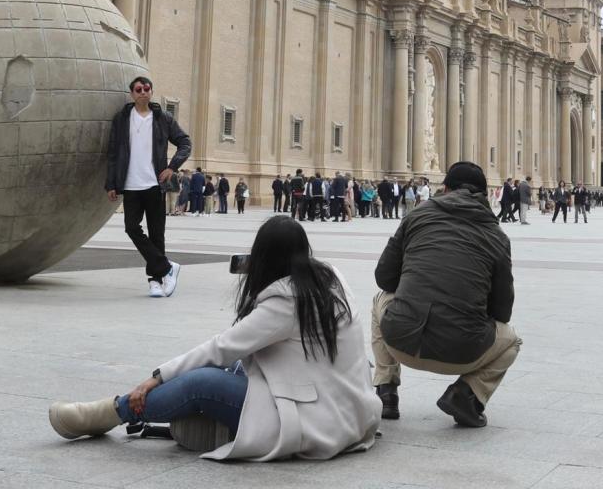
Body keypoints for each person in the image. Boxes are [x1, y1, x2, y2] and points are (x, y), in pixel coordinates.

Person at [48, 216, 381, 459]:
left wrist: (155, 378)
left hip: (314, 419)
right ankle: (213, 424)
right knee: (231, 368)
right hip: (345, 407)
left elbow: (221, 347)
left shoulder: (284, 302)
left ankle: (112, 412)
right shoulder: (328, 278)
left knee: (201, 382)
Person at [371, 162, 520, 427]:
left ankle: (386, 390)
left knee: (380, 299)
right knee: (511, 341)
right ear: (484, 195)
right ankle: (466, 394)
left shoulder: (417, 216)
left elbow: (384, 278)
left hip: (400, 341)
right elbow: (502, 312)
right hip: (463, 353)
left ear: (445, 188)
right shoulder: (497, 236)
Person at [105, 77, 191, 298]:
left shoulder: (163, 118)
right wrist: (111, 183)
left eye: (146, 89)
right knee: (131, 228)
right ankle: (167, 267)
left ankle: (155, 281)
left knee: (156, 234)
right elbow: (113, 153)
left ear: (151, 92)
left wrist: (172, 167)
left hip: (155, 185)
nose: (142, 92)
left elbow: (185, 143)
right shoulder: (122, 119)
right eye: (138, 89)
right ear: (132, 94)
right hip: (131, 185)